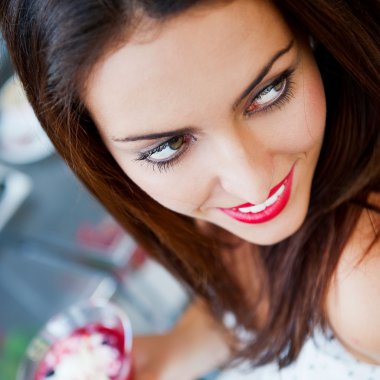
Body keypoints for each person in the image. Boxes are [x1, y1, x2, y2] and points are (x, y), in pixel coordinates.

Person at [1, 0, 379, 379]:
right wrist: (175, 351)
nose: (254, 184)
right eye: (170, 147)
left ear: (309, 29)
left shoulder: (366, 284)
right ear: (98, 152)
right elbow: (265, 297)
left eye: (270, 91)